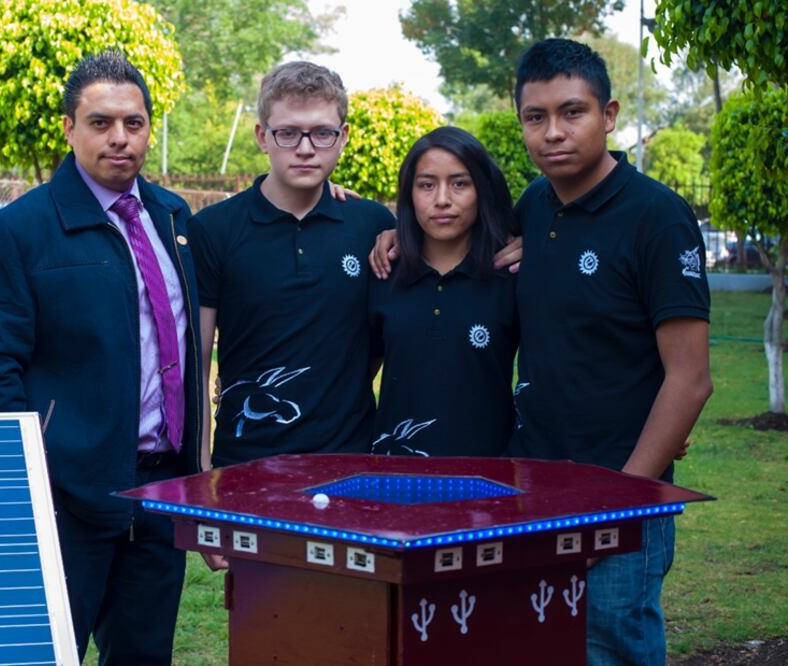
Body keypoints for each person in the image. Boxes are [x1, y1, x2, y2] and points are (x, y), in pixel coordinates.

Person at [369, 38, 712, 665]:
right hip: (529, 489)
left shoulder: (657, 217)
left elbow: (689, 381)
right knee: (536, 644)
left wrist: (623, 501)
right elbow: (460, 237)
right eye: (536, 117)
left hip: (617, 492)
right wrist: (397, 231)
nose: (553, 132)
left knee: (610, 644)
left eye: (572, 112)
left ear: (608, 115)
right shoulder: (532, 204)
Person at [0, 51, 203, 666]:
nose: (120, 138)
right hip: (67, 501)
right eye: (100, 122)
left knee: (145, 658)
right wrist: (41, 479)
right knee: (46, 653)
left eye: (134, 123)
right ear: (69, 127)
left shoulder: (174, 217)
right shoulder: (23, 230)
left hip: (159, 493)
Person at [188, 61, 396, 471]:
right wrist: (200, 466)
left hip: (350, 463)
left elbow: (381, 340)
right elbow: (196, 361)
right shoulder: (212, 229)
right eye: (288, 133)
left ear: (343, 137)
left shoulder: (373, 225)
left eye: (322, 133)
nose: (305, 148)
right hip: (243, 463)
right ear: (262, 137)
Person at [369, 127, 517, 457]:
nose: (442, 199)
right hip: (395, 475)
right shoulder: (383, 273)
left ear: (482, 189)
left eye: (460, 183)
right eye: (426, 185)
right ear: (409, 194)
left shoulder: (511, 276)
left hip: (490, 480)